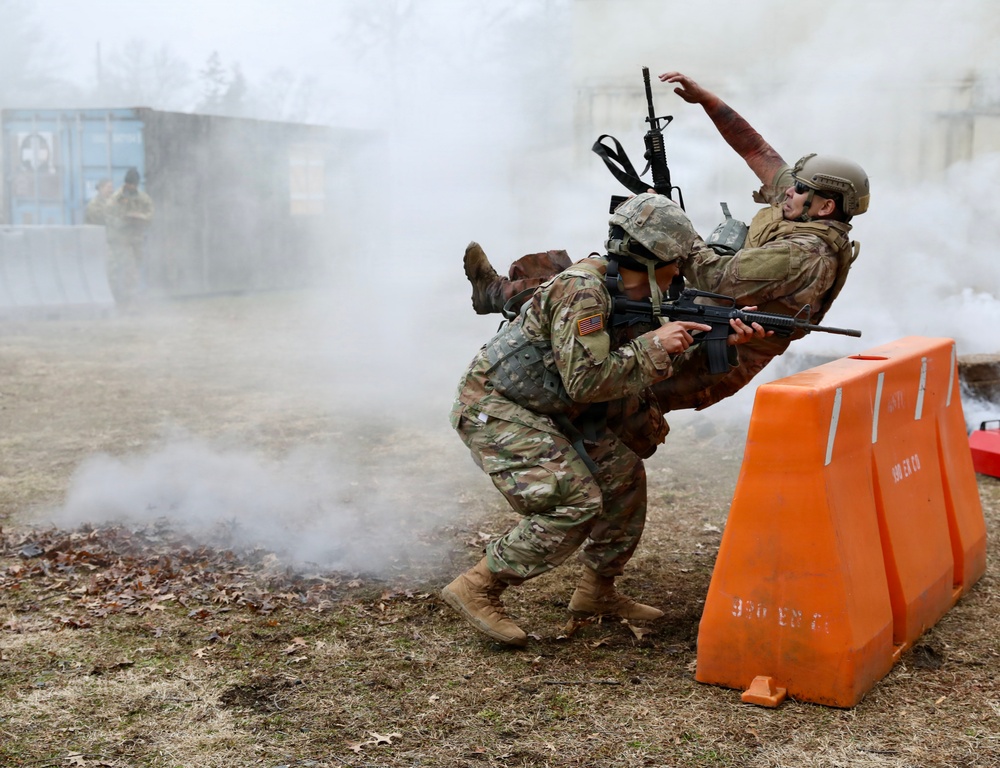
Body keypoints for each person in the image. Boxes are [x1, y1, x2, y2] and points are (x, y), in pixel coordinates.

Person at [442, 194, 766, 646]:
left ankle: (597, 591)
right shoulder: (583, 292)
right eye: (680, 260)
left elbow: (630, 357)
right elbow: (587, 382)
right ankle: (478, 586)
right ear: (656, 259)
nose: (684, 270)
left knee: (623, 480)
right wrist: (657, 345)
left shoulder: (642, 293)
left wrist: (720, 337)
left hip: (552, 407)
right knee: (573, 501)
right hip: (497, 406)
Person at [463, 71, 870, 412]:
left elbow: (717, 278)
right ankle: (500, 294)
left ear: (824, 207)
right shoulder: (799, 208)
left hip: (713, 358)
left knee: (604, 364)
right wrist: (707, 101)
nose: (786, 190)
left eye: (798, 188)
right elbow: (757, 150)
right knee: (605, 277)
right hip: (701, 316)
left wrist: (668, 224)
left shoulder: (805, 254)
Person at [106, 167, 154, 308]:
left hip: (137, 240)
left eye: (135, 185)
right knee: (129, 269)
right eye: (130, 185)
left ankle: (128, 298)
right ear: (126, 183)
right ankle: (129, 301)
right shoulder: (115, 199)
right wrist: (125, 220)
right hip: (121, 241)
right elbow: (110, 220)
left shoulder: (143, 198)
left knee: (135, 270)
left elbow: (150, 215)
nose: (132, 187)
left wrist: (140, 217)